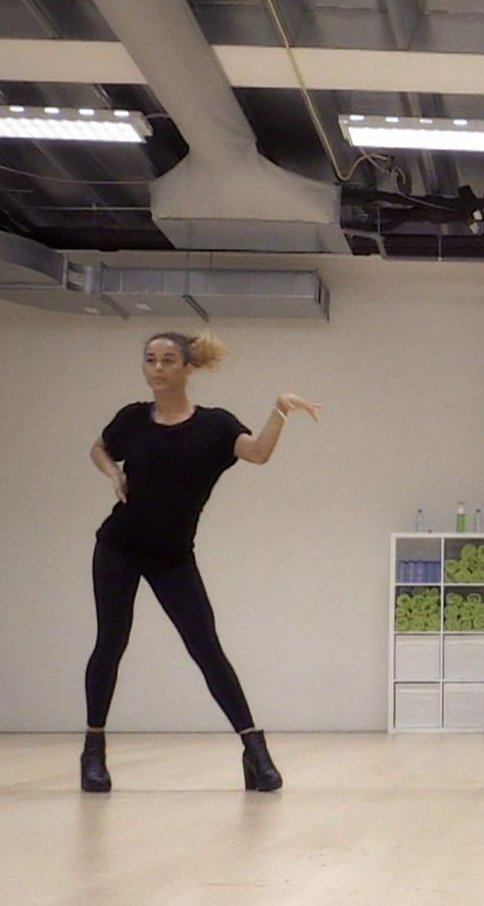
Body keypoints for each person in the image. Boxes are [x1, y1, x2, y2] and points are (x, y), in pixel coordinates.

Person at [80, 329, 320, 793]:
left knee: (205, 647)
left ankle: (254, 750)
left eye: (168, 360)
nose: (157, 368)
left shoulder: (214, 426)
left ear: (188, 368)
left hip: (173, 555)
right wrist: (112, 473)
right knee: (110, 642)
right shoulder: (132, 418)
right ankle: (93, 752)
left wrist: (279, 409)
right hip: (119, 547)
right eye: (150, 359)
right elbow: (99, 448)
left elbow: (258, 453)